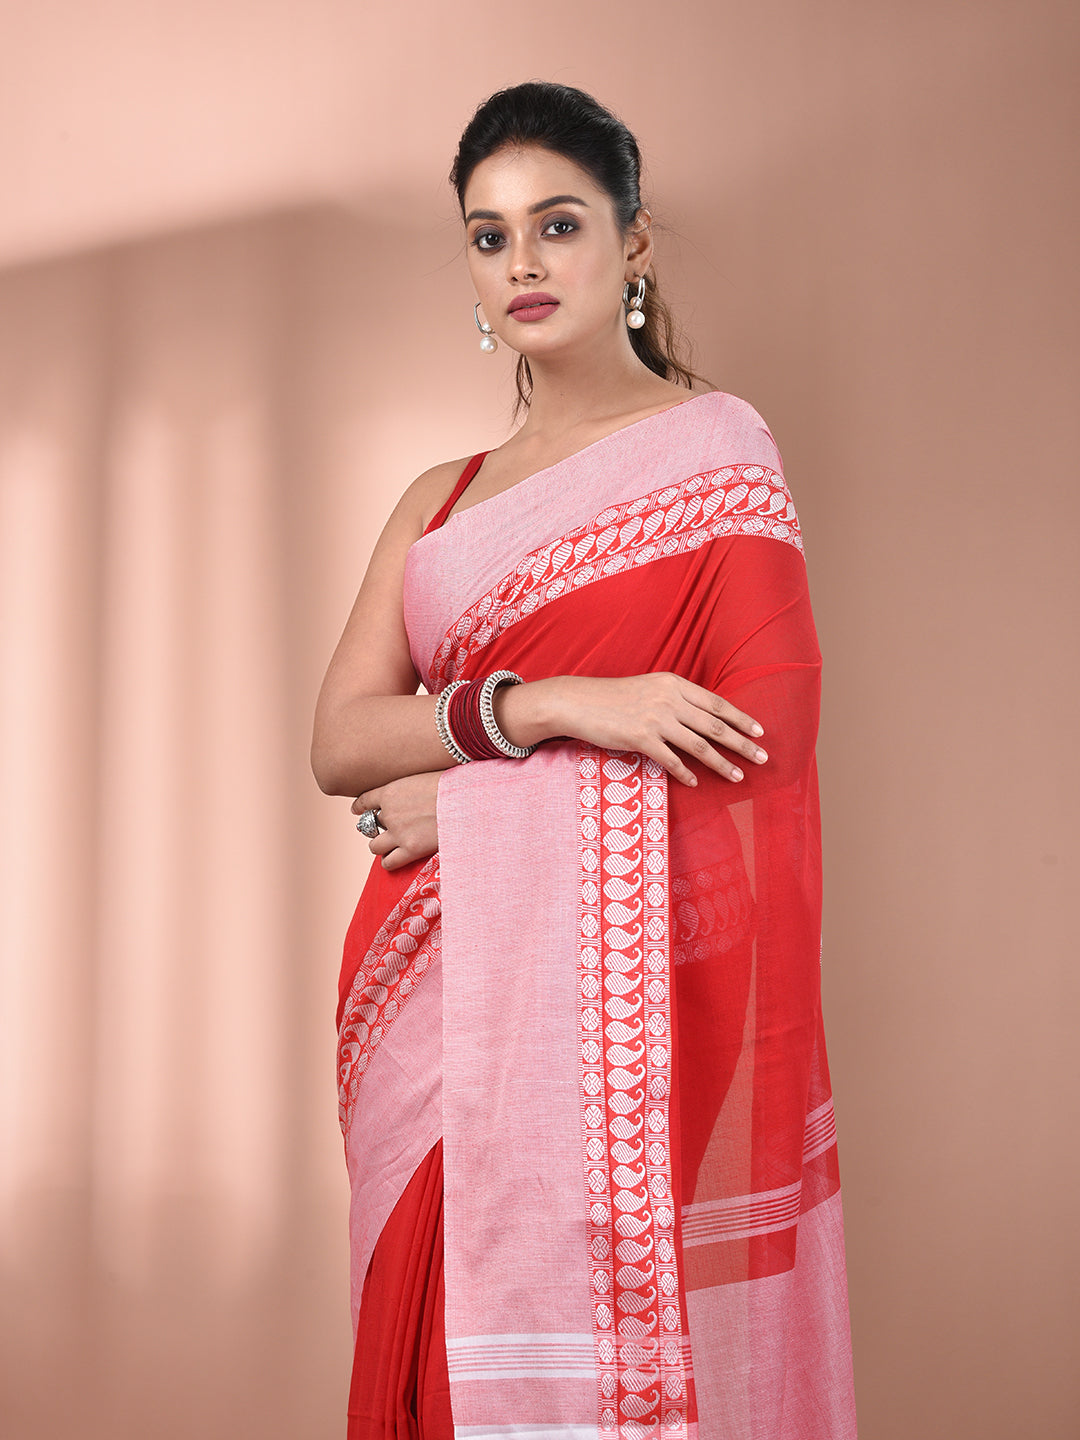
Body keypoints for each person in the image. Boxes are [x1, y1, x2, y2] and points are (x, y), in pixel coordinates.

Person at [311, 80, 857, 1440]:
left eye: (558, 224)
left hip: (616, 1003)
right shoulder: (438, 499)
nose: (524, 262)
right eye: (489, 236)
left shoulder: (716, 456)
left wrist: (465, 812)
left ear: (634, 242)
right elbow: (341, 740)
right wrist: (555, 704)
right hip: (425, 998)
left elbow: (761, 754)